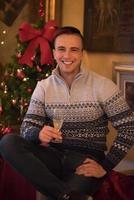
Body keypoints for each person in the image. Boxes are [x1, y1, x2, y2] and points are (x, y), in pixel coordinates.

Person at [0, 26, 134, 200]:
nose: (67, 56)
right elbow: (27, 127)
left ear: (81, 53)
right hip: (52, 157)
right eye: (62, 49)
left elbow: (129, 128)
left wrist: (105, 166)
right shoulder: (44, 87)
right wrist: (38, 133)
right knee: (8, 141)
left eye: (74, 50)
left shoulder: (103, 86)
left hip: (86, 161)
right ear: (54, 53)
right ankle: (67, 195)